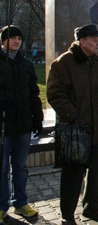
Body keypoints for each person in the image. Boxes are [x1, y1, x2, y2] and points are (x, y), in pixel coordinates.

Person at [47, 24, 98, 224]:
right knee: (72, 176)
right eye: (94, 40)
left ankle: (92, 208)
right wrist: (73, 115)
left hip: (96, 129)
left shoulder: (96, 63)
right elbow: (54, 94)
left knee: (93, 174)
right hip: (75, 130)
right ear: (82, 41)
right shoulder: (63, 63)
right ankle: (67, 216)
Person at [0, 25, 43, 223]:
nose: (16, 41)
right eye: (12, 38)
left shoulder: (26, 64)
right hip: (3, 125)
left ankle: (21, 203)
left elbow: (34, 92)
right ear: (3, 41)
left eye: (19, 37)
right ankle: (1, 205)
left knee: (20, 166)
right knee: (2, 168)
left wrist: (37, 117)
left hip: (23, 124)